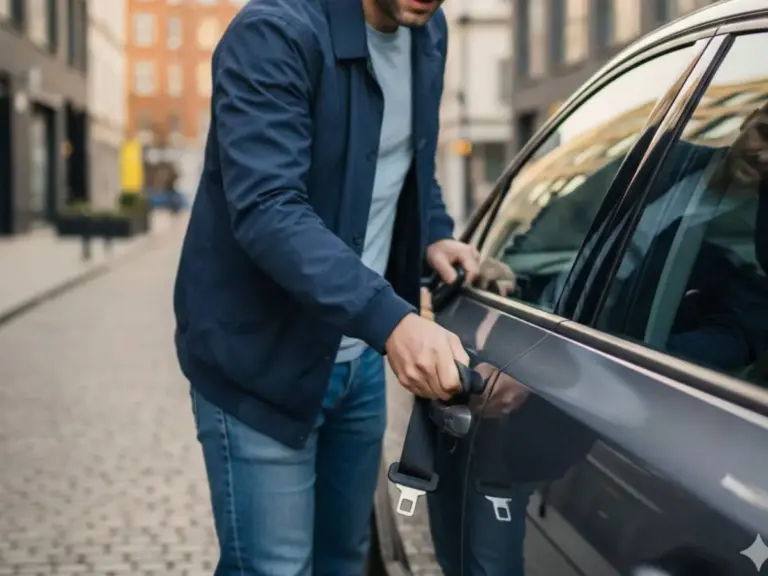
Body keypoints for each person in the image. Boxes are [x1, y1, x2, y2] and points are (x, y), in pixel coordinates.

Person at [173, 0, 480, 574]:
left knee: (345, 559)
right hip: (260, 360)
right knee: (275, 568)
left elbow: (410, 161)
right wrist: (391, 321)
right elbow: (268, 208)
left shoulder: (426, 29)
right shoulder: (274, 33)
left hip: (358, 358)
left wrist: (433, 234)